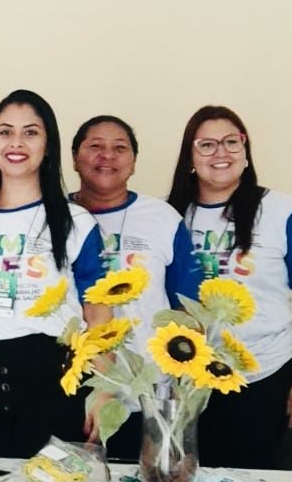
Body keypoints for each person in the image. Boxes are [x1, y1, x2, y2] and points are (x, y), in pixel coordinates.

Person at [0, 89, 108, 459]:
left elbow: (98, 311)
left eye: (30, 132)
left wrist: (104, 387)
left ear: (48, 146)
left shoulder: (75, 221)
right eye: (5, 132)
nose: (16, 143)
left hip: (51, 376)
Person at [167, 105, 292, 469]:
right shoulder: (169, 216)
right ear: (190, 157)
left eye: (232, 142)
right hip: (190, 381)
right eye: (207, 145)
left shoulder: (282, 211)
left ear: (246, 151)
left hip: (266, 376)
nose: (222, 153)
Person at [69, 115, 202, 458]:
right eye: (95, 147)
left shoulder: (161, 217)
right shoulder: (54, 216)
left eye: (119, 148)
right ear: (74, 158)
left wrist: (184, 382)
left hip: (146, 387)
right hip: (69, 382)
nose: (107, 156)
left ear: (133, 162)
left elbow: (188, 305)